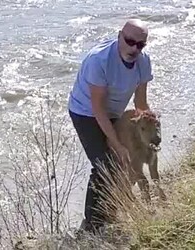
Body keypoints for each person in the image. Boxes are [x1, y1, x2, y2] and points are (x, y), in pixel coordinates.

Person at [67, 18, 154, 234]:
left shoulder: (143, 62)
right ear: (119, 36)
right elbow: (98, 109)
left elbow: (140, 103)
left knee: (128, 160)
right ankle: (91, 227)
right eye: (130, 41)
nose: (134, 48)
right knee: (105, 164)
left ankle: (111, 210)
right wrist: (116, 143)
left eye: (140, 44)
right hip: (85, 112)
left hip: (114, 112)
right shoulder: (99, 60)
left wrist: (149, 120)